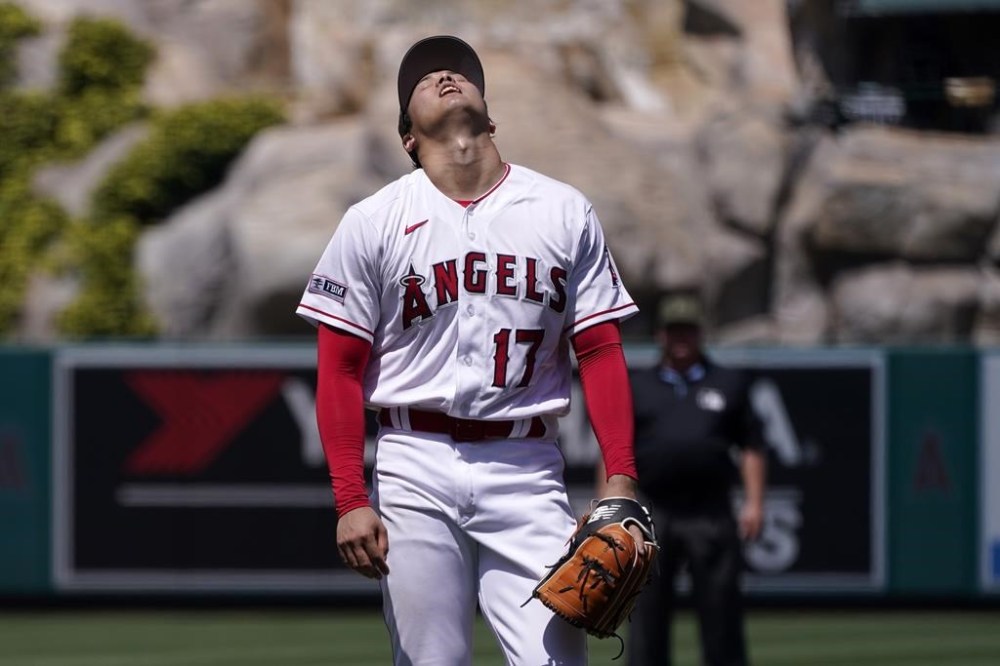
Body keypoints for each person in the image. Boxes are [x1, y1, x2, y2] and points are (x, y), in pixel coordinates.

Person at [296, 35, 644, 665]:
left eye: (459, 71)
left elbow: (599, 350)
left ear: (490, 114)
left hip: (526, 467)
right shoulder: (372, 221)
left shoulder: (563, 210)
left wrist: (620, 475)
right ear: (408, 136)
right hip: (413, 463)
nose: (445, 75)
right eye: (423, 79)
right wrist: (351, 500)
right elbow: (339, 368)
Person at [627, 293, 768, 666]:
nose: (681, 338)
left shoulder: (729, 382)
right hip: (654, 510)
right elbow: (615, 449)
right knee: (646, 615)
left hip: (711, 509)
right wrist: (610, 506)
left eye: (688, 330)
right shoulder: (638, 385)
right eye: (674, 330)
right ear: (660, 334)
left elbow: (752, 446)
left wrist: (754, 503)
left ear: (700, 332)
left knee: (721, 612)